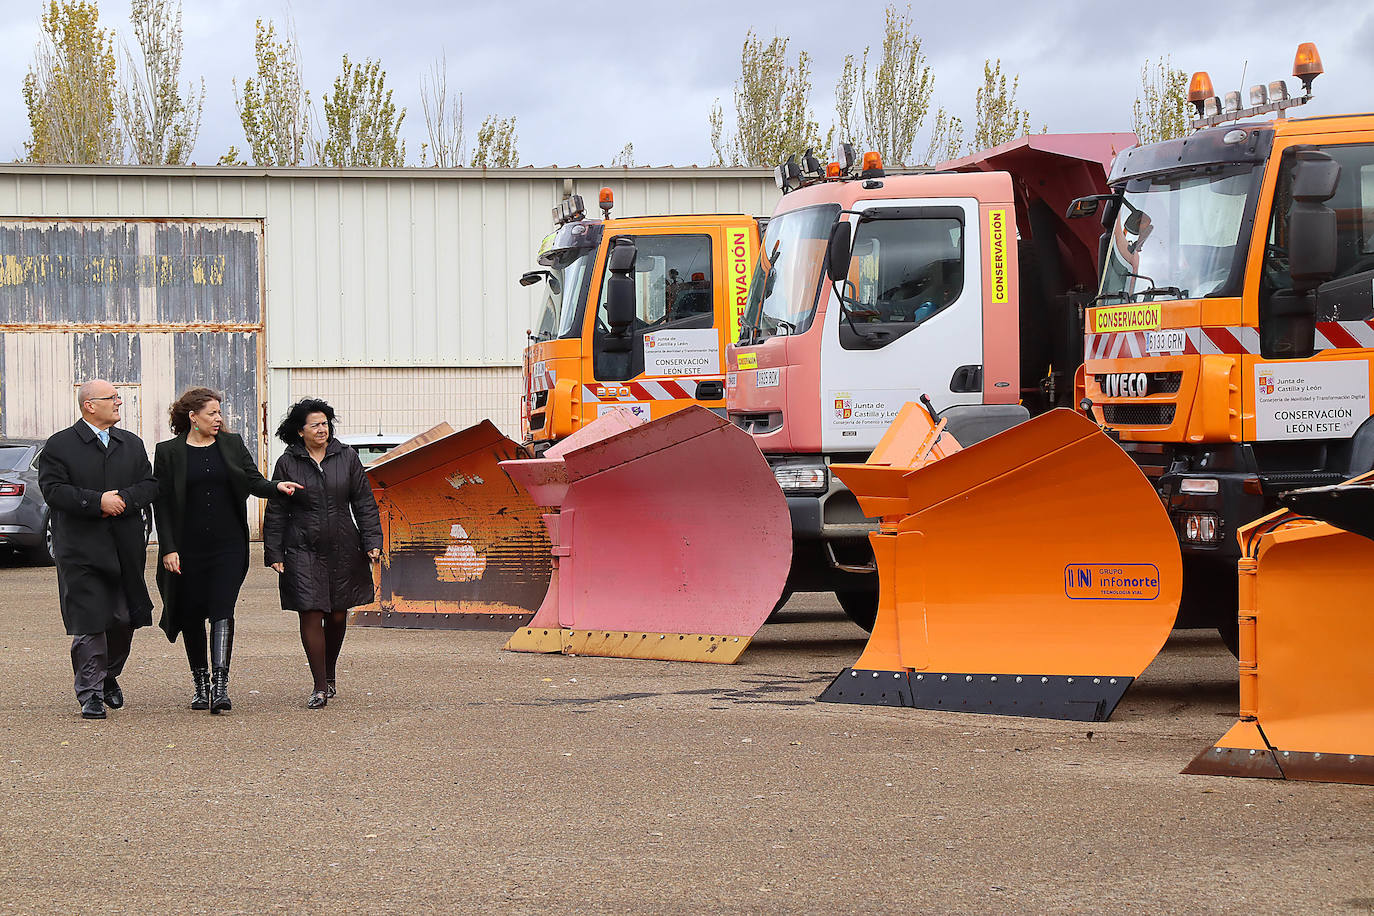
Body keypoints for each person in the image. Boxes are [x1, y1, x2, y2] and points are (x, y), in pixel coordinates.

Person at [153, 388, 302, 714]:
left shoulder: (231, 445)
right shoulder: (168, 452)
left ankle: (220, 687)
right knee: (191, 614)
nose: (219, 418)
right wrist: (168, 548)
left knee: (222, 608)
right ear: (193, 417)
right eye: (212, 413)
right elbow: (162, 504)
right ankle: (200, 684)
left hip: (228, 546)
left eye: (220, 412)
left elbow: (253, 481)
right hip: (187, 548)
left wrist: (276, 487)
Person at [38, 380, 159, 719]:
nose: (119, 402)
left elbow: (149, 485)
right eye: (112, 398)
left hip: (124, 547)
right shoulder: (60, 445)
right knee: (90, 621)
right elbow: (53, 490)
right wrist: (96, 502)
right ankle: (90, 693)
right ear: (90, 405)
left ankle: (108, 676)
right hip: (81, 550)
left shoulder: (130, 444)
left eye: (118, 397)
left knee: (123, 619)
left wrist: (123, 499)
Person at [263, 399, 382, 709]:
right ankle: (318, 686)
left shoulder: (347, 458)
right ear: (300, 431)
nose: (322, 428)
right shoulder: (288, 463)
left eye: (325, 423)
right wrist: (273, 551)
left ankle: (330, 674)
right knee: (311, 611)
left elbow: (365, 503)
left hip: (343, 545)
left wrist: (373, 540)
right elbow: (276, 510)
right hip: (302, 547)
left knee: (338, 613)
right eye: (314, 424)